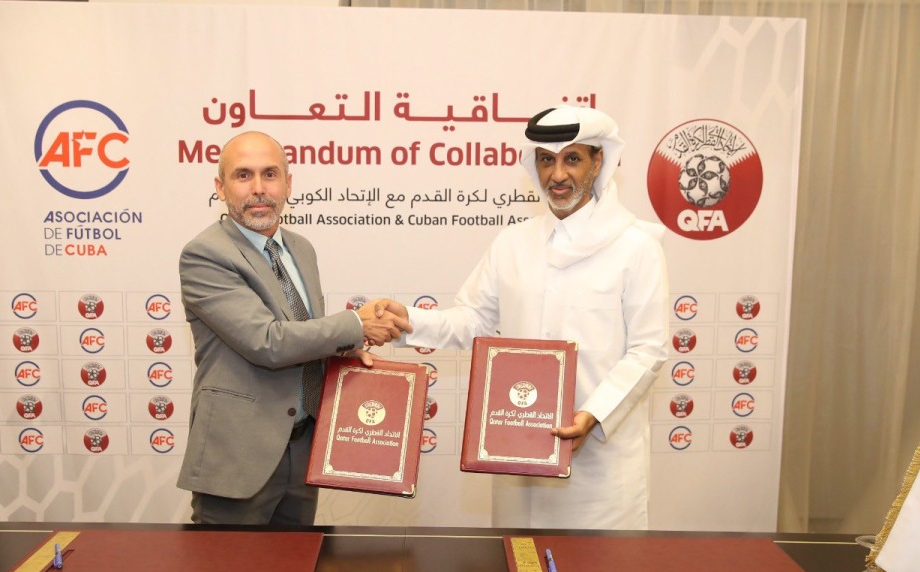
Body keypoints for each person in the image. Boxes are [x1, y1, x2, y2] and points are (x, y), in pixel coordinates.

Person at [378, 106, 669, 530]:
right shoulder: (512, 243)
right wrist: (412, 322)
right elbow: (474, 320)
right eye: (546, 160)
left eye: (572, 158)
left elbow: (649, 349)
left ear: (599, 160)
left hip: (599, 467)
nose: (558, 175)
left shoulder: (636, 248)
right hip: (517, 455)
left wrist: (594, 414)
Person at [178, 131, 409, 525]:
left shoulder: (301, 248)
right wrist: (357, 324)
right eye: (243, 175)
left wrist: (344, 348)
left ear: (288, 183)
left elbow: (303, 333)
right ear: (220, 186)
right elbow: (268, 342)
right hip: (239, 457)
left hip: (304, 447)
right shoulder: (206, 254)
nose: (258, 189)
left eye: (270, 175)